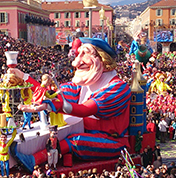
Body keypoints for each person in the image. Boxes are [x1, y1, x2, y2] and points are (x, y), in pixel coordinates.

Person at [10, 37, 131, 165]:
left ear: (103, 59)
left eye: (85, 54)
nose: (76, 62)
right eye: (79, 54)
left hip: (112, 141)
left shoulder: (118, 88)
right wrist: (23, 76)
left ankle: (34, 160)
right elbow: (50, 94)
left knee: (74, 141)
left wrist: (50, 105)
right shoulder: (81, 85)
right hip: (81, 131)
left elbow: (85, 110)